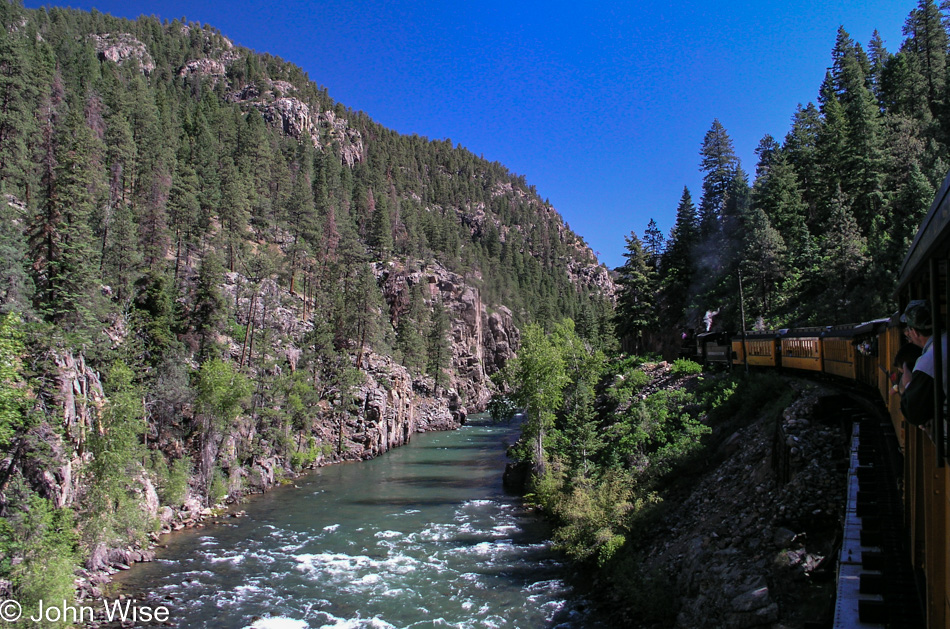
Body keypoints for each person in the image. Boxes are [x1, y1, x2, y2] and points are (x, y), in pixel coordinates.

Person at [900, 299, 948, 425]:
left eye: (909, 330)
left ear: (914, 332)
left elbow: (914, 413)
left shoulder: (929, 361)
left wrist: (908, 384)